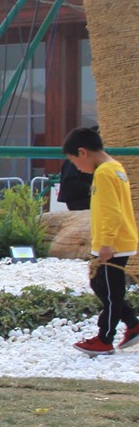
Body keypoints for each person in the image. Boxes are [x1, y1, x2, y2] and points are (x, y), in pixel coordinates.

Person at [63, 126, 139, 356]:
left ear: (83, 152)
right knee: (100, 285)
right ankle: (133, 324)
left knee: (111, 291)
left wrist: (106, 243)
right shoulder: (115, 168)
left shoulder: (104, 173)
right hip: (117, 241)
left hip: (113, 244)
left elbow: (111, 212)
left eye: (74, 162)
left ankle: (105, 339)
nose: (77, 168)